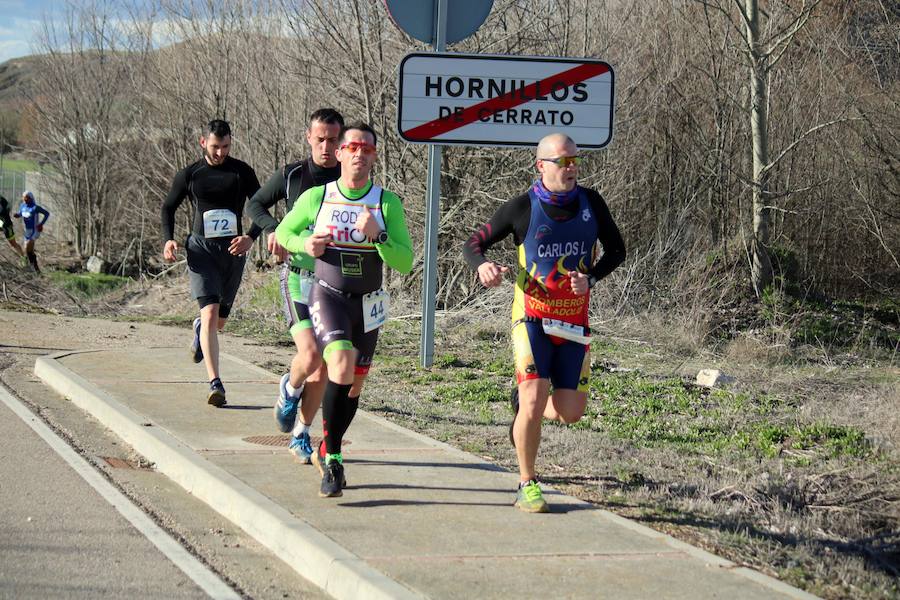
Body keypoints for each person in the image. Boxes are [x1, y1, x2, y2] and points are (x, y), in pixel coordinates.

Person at [462, 133, 626, 513]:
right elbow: (472, 244)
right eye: (562, 162)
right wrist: (483, 266)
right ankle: (527, 482)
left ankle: (524, 411)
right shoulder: (522, 208)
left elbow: (618, 250)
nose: (571, 168)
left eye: (574, 160)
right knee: (535, 400)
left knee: (570, 412)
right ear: (542, 166)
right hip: (531, 317)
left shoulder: (591, 203)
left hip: (573, 323)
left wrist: (593, 278)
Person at [275, 122, 413, 497]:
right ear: (340, 153)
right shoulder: (318, 197)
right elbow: (284, 234)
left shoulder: (387, 203)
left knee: (354, 385)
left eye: (367, 149)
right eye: (352, 147)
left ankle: (327, 443)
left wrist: (379, 235)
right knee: (339, 364)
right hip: (328, 294)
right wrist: (307, 243)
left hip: (369, 303)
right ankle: (333, 458)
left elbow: (404, 261)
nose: (359, 153)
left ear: (374, 157)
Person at [247, 108, 344, 463]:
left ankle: (301, 433)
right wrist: (274, 230)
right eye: (320, 139)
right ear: (309, 137)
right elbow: (254, 203)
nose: (326, 146)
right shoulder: (292, 175)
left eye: (333, 140)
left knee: (323, 367)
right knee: (310, 356)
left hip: (334, 281)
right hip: (299, 278)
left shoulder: (348, 180)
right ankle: (289, 389)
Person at [161, 119, 262, 407]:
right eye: (215, 147)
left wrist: (251, 237)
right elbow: (169, 207)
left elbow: (259, 206)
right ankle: (215, 383)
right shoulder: (191, 174)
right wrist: (168, 239)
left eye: (226, 146)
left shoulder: (242, 172)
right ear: (203, 142)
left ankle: (199, 329)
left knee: (219, 322)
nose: (220, 153)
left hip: (232, 251)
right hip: (201, 249)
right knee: (210, 313)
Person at [14, 191, 50, 273]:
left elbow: (47, 214)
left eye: (26, 198)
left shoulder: (35, 207)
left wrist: (41, 224)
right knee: (29, 251)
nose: (25, 199)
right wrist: (17, 215)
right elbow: (20, 213)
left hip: (35, 230)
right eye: (23, 198)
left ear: (30, 198)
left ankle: (30, 266)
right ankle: (35, 269)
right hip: (27, 231)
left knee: (27, 247)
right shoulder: (22, 206)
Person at [0, 194, 25, 261]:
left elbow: (8, 208)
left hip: (6, 224)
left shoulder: (2, 200)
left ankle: (23, 258)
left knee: (13, 243)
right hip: (1, 222)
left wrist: (5, 212)